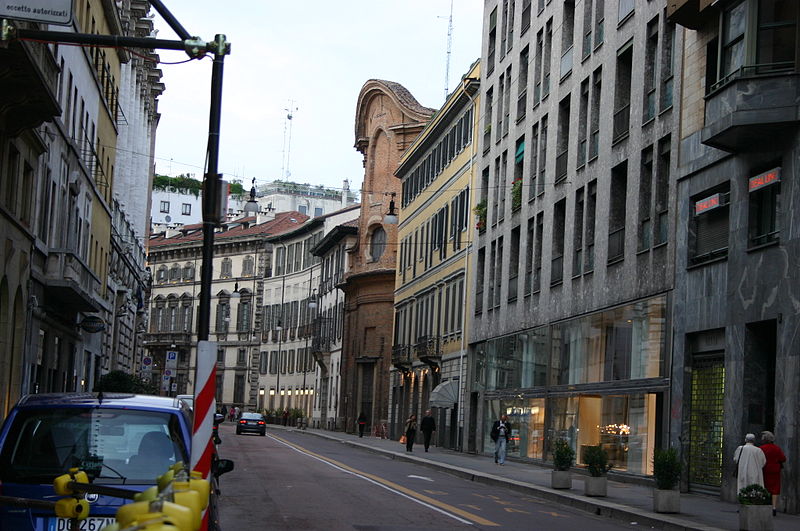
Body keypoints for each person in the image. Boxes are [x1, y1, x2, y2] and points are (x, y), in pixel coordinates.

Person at [760, 431, 786, 516]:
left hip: (765, 470)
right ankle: (774, 507)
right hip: (775, 470)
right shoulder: (777, 448)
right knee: (775, 489)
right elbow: (783, 458)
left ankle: (765, 505)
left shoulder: (761, 448)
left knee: (765, 487)